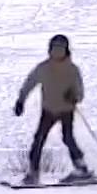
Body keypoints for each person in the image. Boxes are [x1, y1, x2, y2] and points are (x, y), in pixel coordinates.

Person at [14, 34, 91, 185]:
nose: (57, 52)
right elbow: (29, 83)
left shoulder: (71, 70)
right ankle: (34, 172)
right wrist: (21, 100)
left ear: (66, 50)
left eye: (60, 49)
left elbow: (80, 93)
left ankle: (81, 169)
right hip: (49, 109)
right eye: (55, 49)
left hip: (65, 110)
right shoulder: (45, 68)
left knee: (63, 138)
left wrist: (74, 97)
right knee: (41, 140)